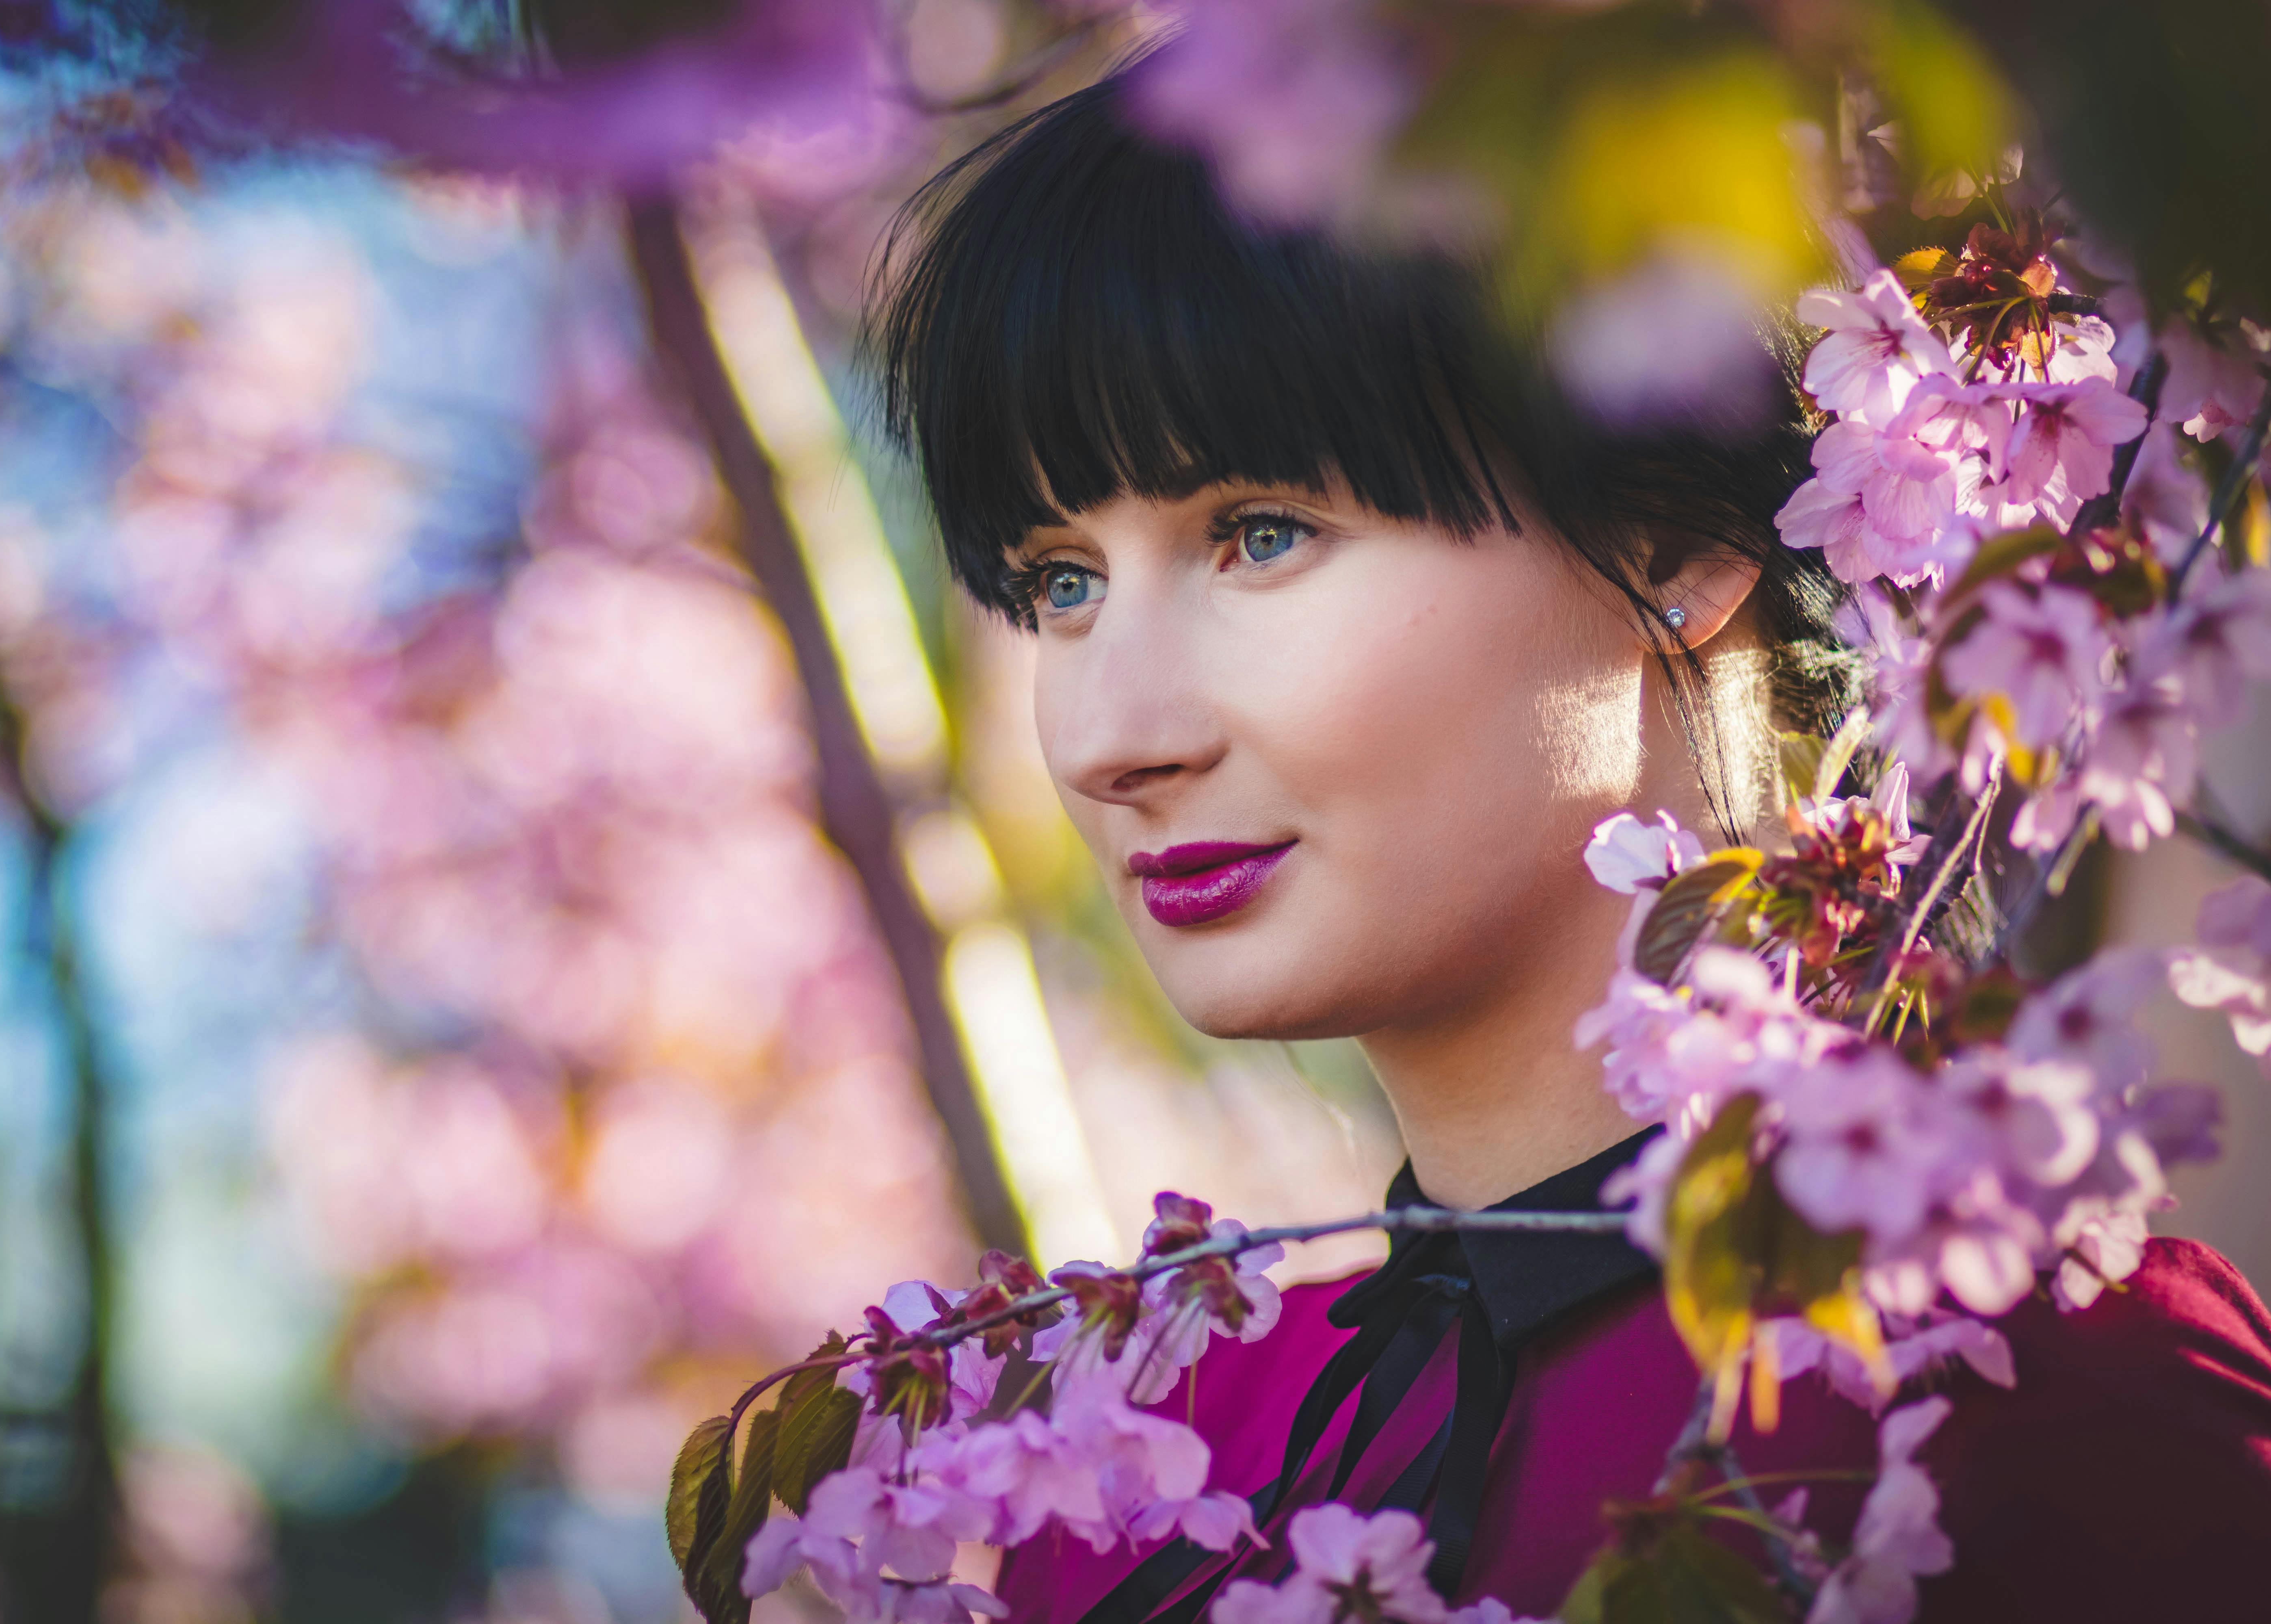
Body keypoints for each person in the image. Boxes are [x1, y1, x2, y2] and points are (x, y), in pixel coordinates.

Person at [868, 67, 2271, 1624]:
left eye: (1261, 534)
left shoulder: (2030, 1392)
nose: (1106, 739)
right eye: (1059, 583)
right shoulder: (1140, 1482)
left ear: (1674, 542)